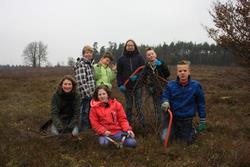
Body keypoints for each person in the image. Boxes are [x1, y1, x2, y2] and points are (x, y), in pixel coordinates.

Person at [161, 60, 206, 145]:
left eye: (185, 71)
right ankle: (174, 132)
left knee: (186, 142)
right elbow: (165, 96)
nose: (182, 73)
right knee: (165, 139)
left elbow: (201, 103)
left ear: (189, 72)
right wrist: (165, 101)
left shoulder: (196, 86)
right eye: (180, 71)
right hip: (172, 119)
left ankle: (193, 130)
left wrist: (202, 119)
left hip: (186, 119)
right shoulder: (170, 85)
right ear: (177, 73)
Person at [136, 47, 170, 129]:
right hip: (154, 91)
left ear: (155, 55)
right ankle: (159, 125)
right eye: (148, 55)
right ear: (147, 57)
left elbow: (167, 74)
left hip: (164, 90)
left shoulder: (161, 63)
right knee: (157, 108)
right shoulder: (147, 66)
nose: (151, 56)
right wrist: (148, 87)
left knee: (166, 108)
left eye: (152, 54)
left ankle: (168, 125)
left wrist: (161, 66)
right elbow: (143, 77)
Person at [116, 39, 145, 128]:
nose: (130, 47)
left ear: (134, 46)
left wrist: (137, 76)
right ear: (125, 47)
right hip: (126, 86)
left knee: (139, 105)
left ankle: (142, 124)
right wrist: (120, 84)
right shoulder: (121, 59)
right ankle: (127, 125)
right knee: (129, 106)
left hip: (138, 86)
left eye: (132, 45)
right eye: (128, 45)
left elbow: (144, 70)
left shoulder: (139, 57)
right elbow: (119, 73)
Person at [74, 45, 96, 130]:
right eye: (86, 52)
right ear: (83, 54)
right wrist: (88, 94)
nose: (88, 54)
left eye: (90, 52)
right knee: (84, 112)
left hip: (90, 94)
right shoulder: (81, 64)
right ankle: (84, 130)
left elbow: (91, 80)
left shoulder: (90, 65)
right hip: (84, 94)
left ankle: (88, 129)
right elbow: (81, 81)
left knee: (89, 112)